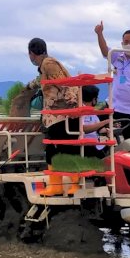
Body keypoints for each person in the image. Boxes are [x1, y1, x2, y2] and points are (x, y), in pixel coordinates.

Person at [27, 37, 81, 196]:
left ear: (31, 53)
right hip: (56, 116)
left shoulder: (48, 64)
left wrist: (71, 105)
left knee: (65, 148)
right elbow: (43, 82)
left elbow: (64, 85)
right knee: (52, 149)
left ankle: (73, 184)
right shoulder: (45, 66)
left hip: (63, 115)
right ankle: (56, 186)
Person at [80, 85, 113, 160]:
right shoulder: (81, 112)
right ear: (94, 99)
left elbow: (99, 129)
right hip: (86, 147)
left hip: (95, 145)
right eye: (97, 97)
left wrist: (108, 129)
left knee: (113, 149)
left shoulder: (92, 112)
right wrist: (106, 121)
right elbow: (83, 128)